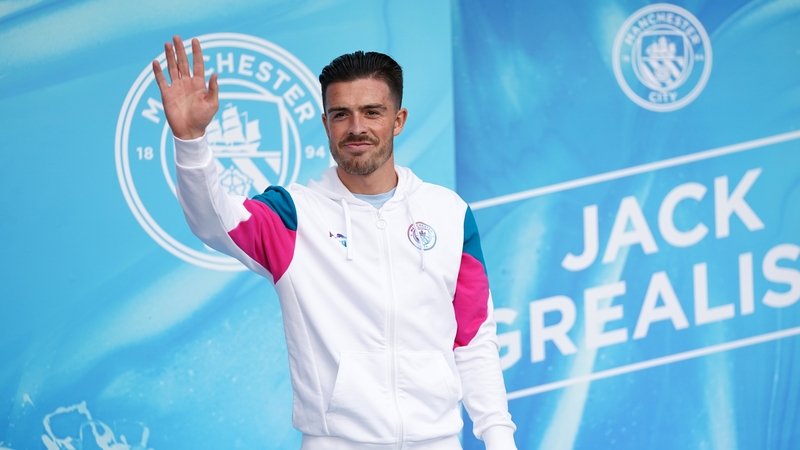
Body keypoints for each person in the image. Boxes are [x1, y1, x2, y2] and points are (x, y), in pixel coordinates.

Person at [153, 36, 517, 450]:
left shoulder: (448, 213)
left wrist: (499, 437)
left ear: (398, 121)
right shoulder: (293, 215)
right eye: (341, 114)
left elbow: (472, 338)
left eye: (372, 112)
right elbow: (213, 221)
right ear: (326, 124)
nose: (356, 128)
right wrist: (191, 141)